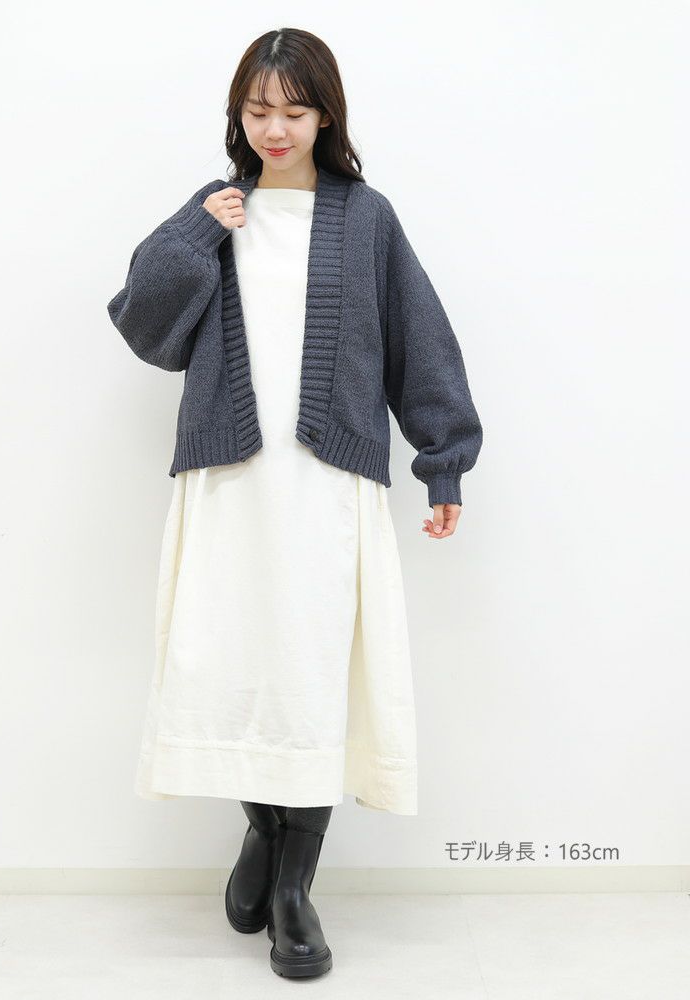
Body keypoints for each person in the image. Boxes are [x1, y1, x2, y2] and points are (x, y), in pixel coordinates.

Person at [107, 27, 483, 980]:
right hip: (228, 482)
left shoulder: (367, 219)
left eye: (295, 111)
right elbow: (145, 330)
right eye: (258, 110)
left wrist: (444, 462)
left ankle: (292, 887)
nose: (275, 129)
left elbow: (419, 341)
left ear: (326, 116)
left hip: (326, 484)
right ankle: (262, 830)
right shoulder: (214, 210)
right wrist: (199, 231)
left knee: (312, 674)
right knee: (239, 666)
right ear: (238, 114)